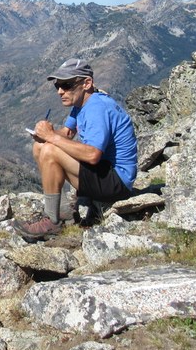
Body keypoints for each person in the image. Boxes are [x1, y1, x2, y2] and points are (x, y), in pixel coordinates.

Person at [13, 58, 138, 241]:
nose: (60, 91)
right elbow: (67, 133)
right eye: (58, 86)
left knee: (49, 150)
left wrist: (51, 137)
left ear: (87, 83)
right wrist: (45, 135)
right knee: (40, 146)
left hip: (116, 183)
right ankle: (62, 212)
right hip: (104, 173)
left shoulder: (97, 108)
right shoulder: (82, 104)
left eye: (67, 85)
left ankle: (53, 222)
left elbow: (93, 154)